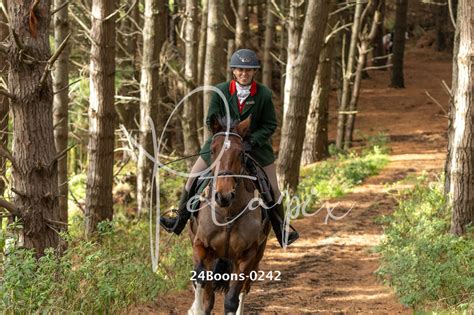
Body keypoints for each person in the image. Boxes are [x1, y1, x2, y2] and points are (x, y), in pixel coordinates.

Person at [160, 49, 299, 247]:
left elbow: (270, 125)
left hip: (255, 148)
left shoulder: (264, 94)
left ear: (254, 72)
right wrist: (227, 134)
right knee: (192, 178)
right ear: (234, 70)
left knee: (274, 190)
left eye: (249, 70)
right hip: (222, 146)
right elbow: (211, 119)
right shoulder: (220, 91)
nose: (244, 73)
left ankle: (282, 231)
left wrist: (252, 140)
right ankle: (179, 221)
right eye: (240, 69)